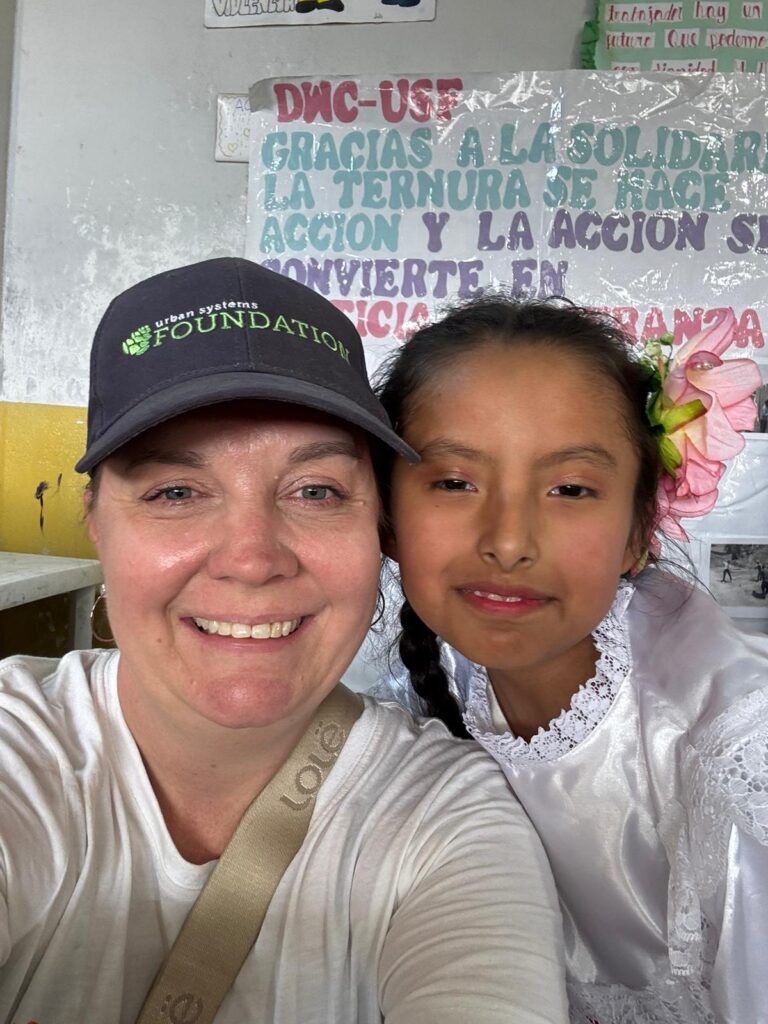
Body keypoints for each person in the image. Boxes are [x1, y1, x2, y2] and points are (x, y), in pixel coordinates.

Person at [0, 261, 568, 1023]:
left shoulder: (442, 820)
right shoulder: (20, 749)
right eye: (175, 492)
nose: (252, 557)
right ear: (95, 521)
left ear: (380, 530)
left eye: (317, 491)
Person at [374, 296, 768, 1024]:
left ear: (637, 531)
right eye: (456, 481)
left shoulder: (733, 753)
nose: (509, 539)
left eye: (571, 489)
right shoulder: (403, 693)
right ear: (387, 516)